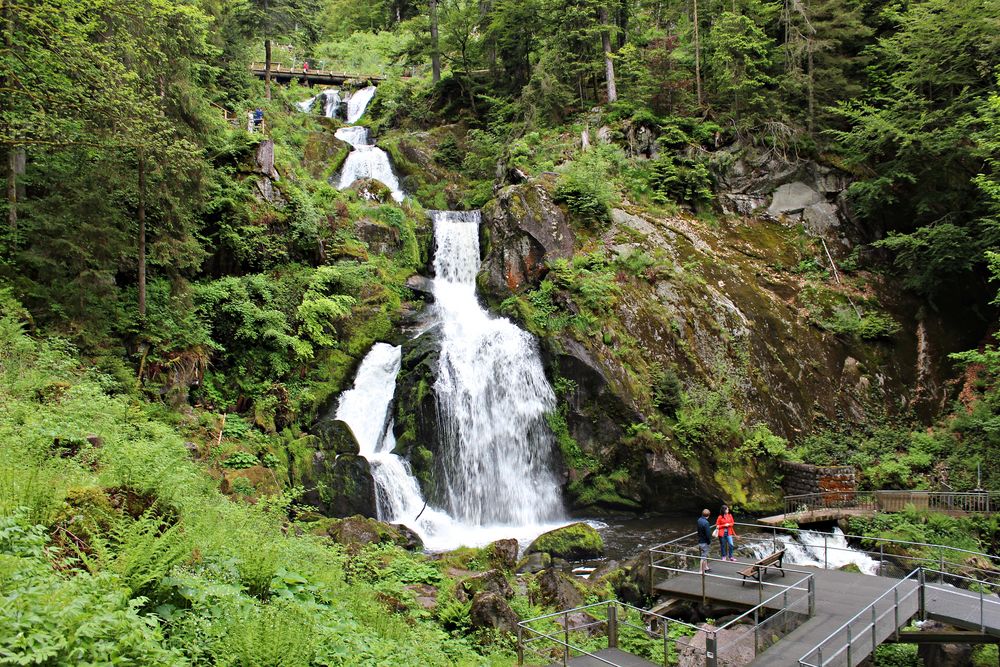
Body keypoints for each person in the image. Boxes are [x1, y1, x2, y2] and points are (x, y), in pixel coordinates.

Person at [697, 509, 713, 573]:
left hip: (700, 540)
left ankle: (706, 567)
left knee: (705, 554)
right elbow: (708, 534)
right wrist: (709, 541)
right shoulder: (706, 523)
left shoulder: (699, 520)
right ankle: (700, 570)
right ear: (708, 515)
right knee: (703, 556)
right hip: (704, 542)